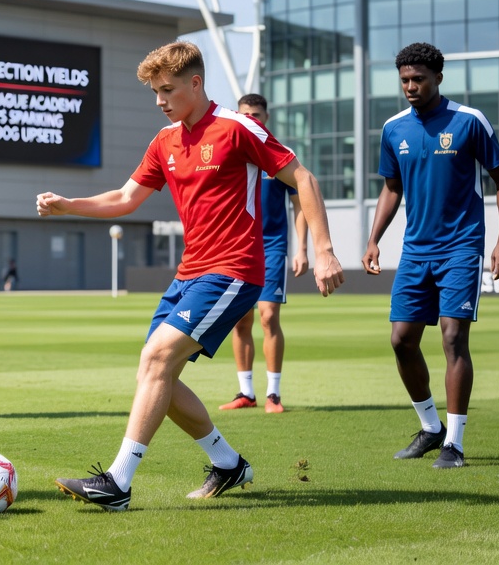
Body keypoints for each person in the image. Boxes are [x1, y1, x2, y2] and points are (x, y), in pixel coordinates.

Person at [36, 41, 344, 511]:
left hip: (235, 269)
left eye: (167, 90)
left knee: (157, 358)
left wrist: (323, 251)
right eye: (154, 92)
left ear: (195, 83)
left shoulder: (237, 128)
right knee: (155, 370)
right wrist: (68, 205)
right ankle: (227, 463)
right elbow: (125, 198)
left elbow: (303, 178)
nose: (159, 100)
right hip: (189, 273)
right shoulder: (164, 140)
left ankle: (118, 483)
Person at [364, 42, 499, 470]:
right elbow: (391, 188)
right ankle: (431, 428)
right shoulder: (394, 129)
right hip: (416, 250)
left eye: (419, 79)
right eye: (404, 80)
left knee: (452, 338)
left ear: (438, 78)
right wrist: (374, 238)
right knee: (401, 340)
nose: (411, 86)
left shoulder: (469, 121)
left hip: (462, 247)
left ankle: (455, 443)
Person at [220, 94, 309, 414]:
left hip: (272, 246)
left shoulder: (278, 154)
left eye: (256, 115)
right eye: (245, 114)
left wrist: (302, 248)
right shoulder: (230, 153)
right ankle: (246, 392)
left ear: (266, 118)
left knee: (268, 316)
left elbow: (300, 203)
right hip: (238, 247)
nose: (251, 119)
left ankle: (273, 394)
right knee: (240, 320)